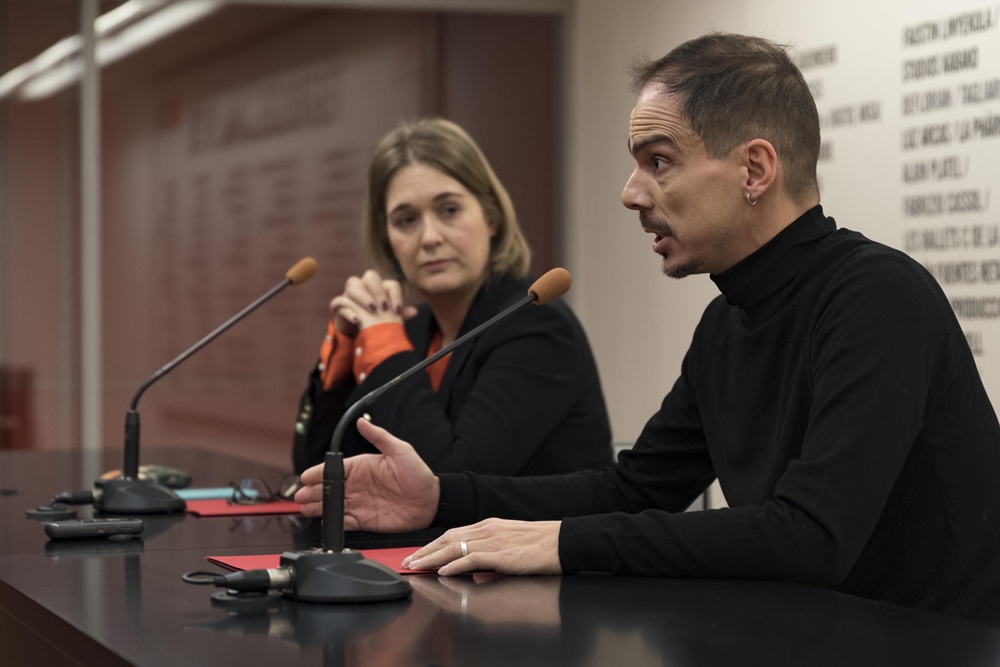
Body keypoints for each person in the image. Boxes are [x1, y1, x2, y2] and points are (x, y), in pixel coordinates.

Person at [296, 34, 1000, 625]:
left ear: (755, 168)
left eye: (658, 162)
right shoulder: (727, 321)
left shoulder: (878, 297)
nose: (632, 194)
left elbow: (811, 535)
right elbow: (633, 489)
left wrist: (566, 542)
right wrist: (441, 498)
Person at [292, 118, 612, 476]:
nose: (429, 237)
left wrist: (382, 344)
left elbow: (449, 481)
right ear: (387, 240)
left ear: (490, 216)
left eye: (449, 210)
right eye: (407, 219)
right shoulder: (411, 333)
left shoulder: (537, 325)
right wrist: (342, 352)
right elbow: (317, 468)